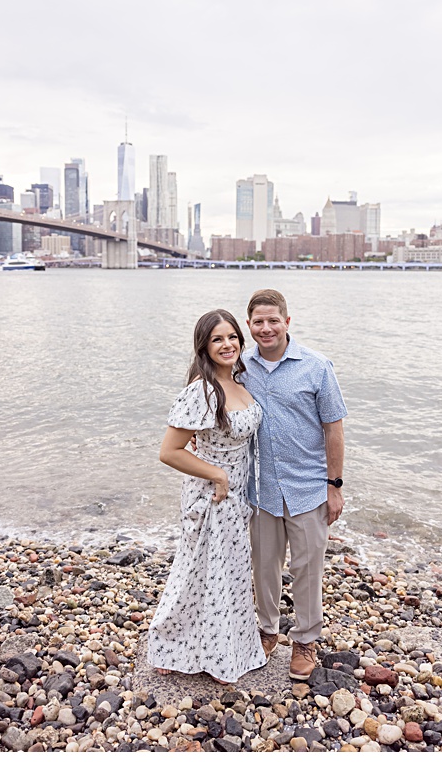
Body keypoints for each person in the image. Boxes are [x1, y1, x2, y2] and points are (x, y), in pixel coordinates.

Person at [145, 309, 268, 686]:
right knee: (197, 569)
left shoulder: (240, 383)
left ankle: (226, 647)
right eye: (217, 339)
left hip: (239, 493)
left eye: (232, 337)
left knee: (228, 573)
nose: (227, 344)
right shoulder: (201, 391)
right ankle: (168, 643)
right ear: (204, 347)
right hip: (212, 494)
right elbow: (169, 452)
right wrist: (217, 474)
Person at [242, 288, 347, 682]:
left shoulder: (317, 367)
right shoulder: (241, 366)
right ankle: (267, 631)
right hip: (261, 489)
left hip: (307, 488)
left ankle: (305, 639)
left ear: (287, 322)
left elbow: (333, 429)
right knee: (264, 568)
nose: (266, 328)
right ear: (249, 325)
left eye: (273, 320)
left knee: (307, 569)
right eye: (258, 322)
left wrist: (334, 486)